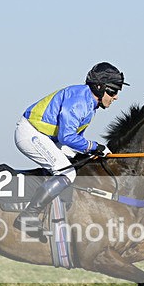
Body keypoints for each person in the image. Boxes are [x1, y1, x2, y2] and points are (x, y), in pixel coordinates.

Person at [13, 62, 128, 234]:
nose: (116, 97)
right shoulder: (79, 103)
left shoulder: (90, 104)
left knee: (75, 163)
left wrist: (92, 151)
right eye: (112, 91)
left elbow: (75, 139)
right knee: (68, 173)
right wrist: (95, 146)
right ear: (99, 87)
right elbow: (66, 137)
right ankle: (28, 216)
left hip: (47, 137)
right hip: (31, 133)